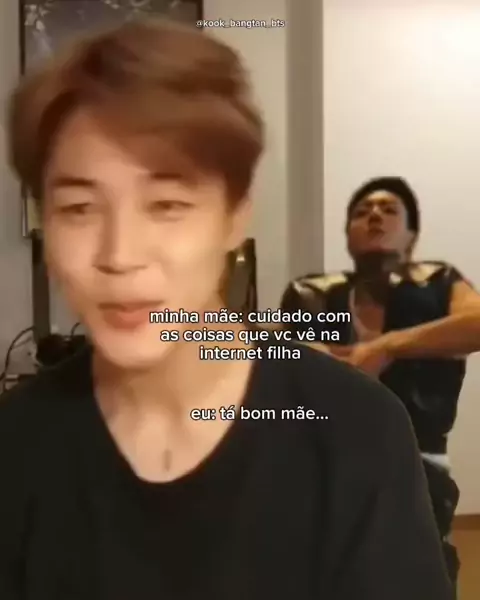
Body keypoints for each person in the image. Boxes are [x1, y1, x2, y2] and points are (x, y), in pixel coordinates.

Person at [0, 21, 453, 600]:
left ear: (235, 216)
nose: (119, 254)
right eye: (79, 208)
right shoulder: (17, 445)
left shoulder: (355, 434)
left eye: (166, 204)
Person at [280, 175, 480, 595]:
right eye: (362, 212)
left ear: (411, 236)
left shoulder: (439, 281)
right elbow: (275, 363)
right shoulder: (310, 294)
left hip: (420, 466)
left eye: (389, 210)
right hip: (323, 466)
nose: (374, 216)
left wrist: (388, 346)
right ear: (348, 235)